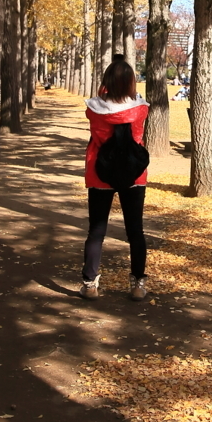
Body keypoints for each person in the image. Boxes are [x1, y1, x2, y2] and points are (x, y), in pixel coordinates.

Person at [81, 55, 150, 302]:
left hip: (100, 172)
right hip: (134, 173)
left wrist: (106, 88)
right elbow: (136, 102)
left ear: (106, 81)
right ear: (132, 82)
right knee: (135, 231)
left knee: (96, 231)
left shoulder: (93, 108)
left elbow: (102, 99)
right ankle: (138, 284)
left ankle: (90, 284)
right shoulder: (140, 109)